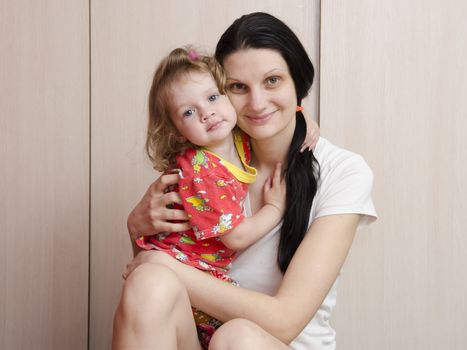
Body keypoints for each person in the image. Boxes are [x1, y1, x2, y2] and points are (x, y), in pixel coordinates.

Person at [113, 12, 377, 350]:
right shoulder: (209, 156)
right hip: (197, 337)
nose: (256, 103)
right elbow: (160, 266)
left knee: (237, 338)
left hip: (267, 343)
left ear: (297, 81)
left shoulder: (343, 171)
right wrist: (136, 230)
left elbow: (284, 322)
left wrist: (163, 265)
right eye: (238, 87)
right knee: (149, 284)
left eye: (272, 81)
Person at [134, 46, 290, 347]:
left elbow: (274, 119)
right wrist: (274, 207)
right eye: (189, 112)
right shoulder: (203, 173)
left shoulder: (235, 139)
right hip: (189, 275)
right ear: (178, 132)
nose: (207, 113)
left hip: (193, 274)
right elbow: (237, 237)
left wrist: (302, 118)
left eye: (213, 97)